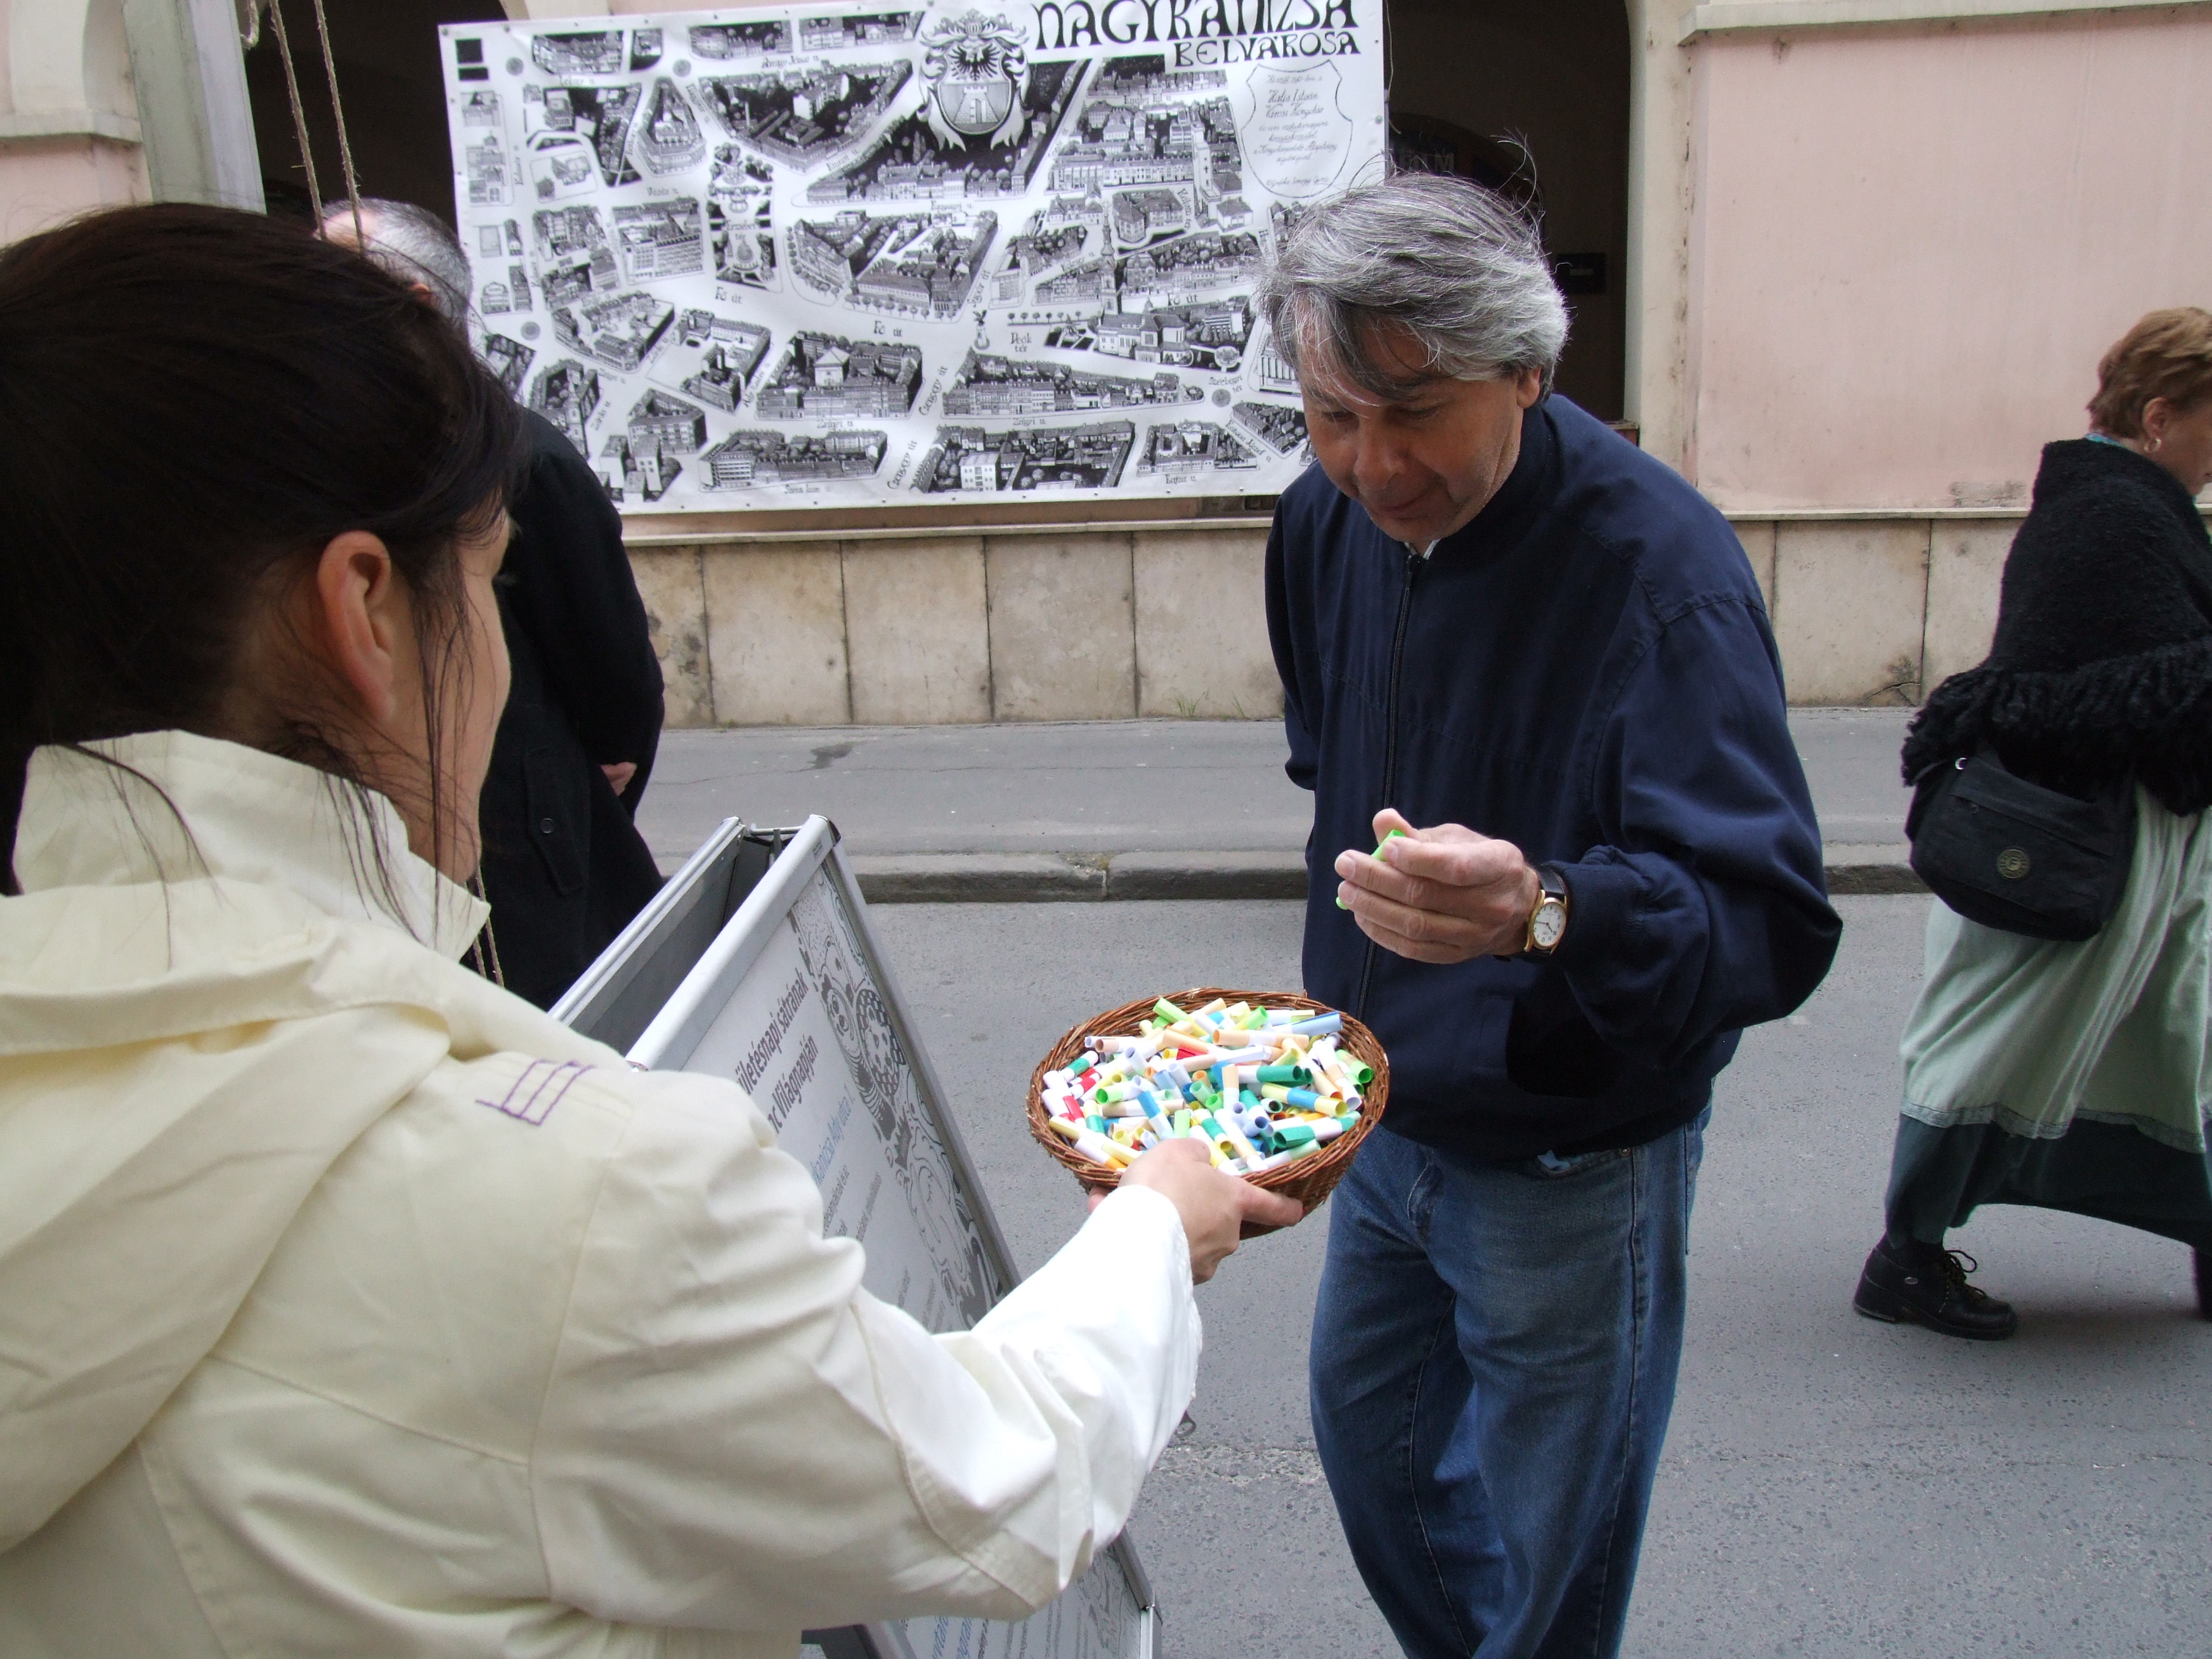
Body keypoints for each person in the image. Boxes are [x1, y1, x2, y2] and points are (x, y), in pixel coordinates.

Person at [0, 204, 1302, 1656]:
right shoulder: (571, 1199)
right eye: (485, 583)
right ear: (362, 612)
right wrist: (1152, 1225)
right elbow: (991, 1487)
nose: (495, 654)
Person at [1259, 173, 1841, 1659]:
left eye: (1413, 413)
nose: (1372, 465)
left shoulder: (1664, 574)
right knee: (1377, 1460)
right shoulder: (1320, 524)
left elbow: (1769, 921)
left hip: (1574, 1153)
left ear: (1526, 371)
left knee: (1550, 1546)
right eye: (1330, 415)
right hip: (1379, 1111)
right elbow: (1331, 764)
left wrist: (1542, 909)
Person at [1854, 307, 2212, 1341]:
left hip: (2121, 836)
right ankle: (1908, 1256)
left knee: (2167, 1036)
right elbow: (2132, 689)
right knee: (2005, 1034)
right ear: (2159, 415)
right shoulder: (2111, 515)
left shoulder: (2125, 505)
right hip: (2077, 842)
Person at [321, 196, 667, 1010]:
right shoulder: (340, 460)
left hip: (522, 844)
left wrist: (576, 775)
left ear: (416, 306)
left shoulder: (520, 460)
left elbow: (613, 669)